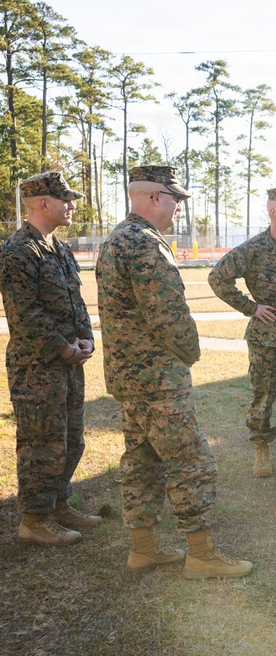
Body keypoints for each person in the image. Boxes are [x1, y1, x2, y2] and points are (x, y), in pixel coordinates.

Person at [96, 165, 252, 578]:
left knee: (142, 460)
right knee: (192, 462)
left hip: (130, 378)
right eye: (174, 198)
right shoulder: (145, 244)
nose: (179, 207)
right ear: (153, 198)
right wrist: (191, 353)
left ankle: (142, 547)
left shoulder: (117, 239)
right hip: (157, 380)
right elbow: (169, 316)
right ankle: (201, 555)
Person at [0, 172, 101, 546]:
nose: (72, 206)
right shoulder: (18, 251)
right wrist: (63, 348)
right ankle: (34, 519)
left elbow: (76, 303)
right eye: (66, 199)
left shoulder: (58, 248)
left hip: (68, 363)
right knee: (41, 441)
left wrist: (86, 339)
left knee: (72, 438)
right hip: (37, 367)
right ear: (43, 202)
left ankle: (59, 504)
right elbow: (25, 315)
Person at [208, 186, 276, 478]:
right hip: (267, 338)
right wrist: (251, 308)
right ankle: (261, 449)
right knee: (264, 396)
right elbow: (218, 278)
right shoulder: (252, 249)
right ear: (273, 210)